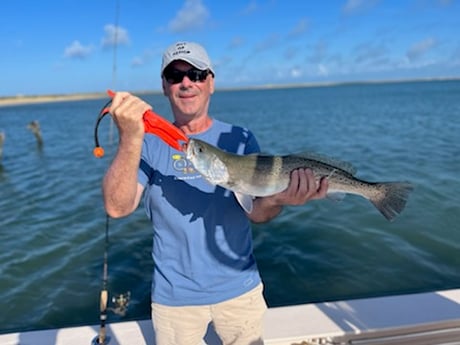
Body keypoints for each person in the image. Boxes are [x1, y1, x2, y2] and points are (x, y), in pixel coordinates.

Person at [102, 41, 328, 345]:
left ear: (210, 83)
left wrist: (277, 199)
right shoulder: (147, 144)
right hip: (174, 298)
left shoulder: (241, 138)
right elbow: (117, 207)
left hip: (240, 289)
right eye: (175, 75)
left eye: (196, 74)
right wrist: (130, 138)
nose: (186, 82)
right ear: (165, 86)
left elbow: (257, 213)